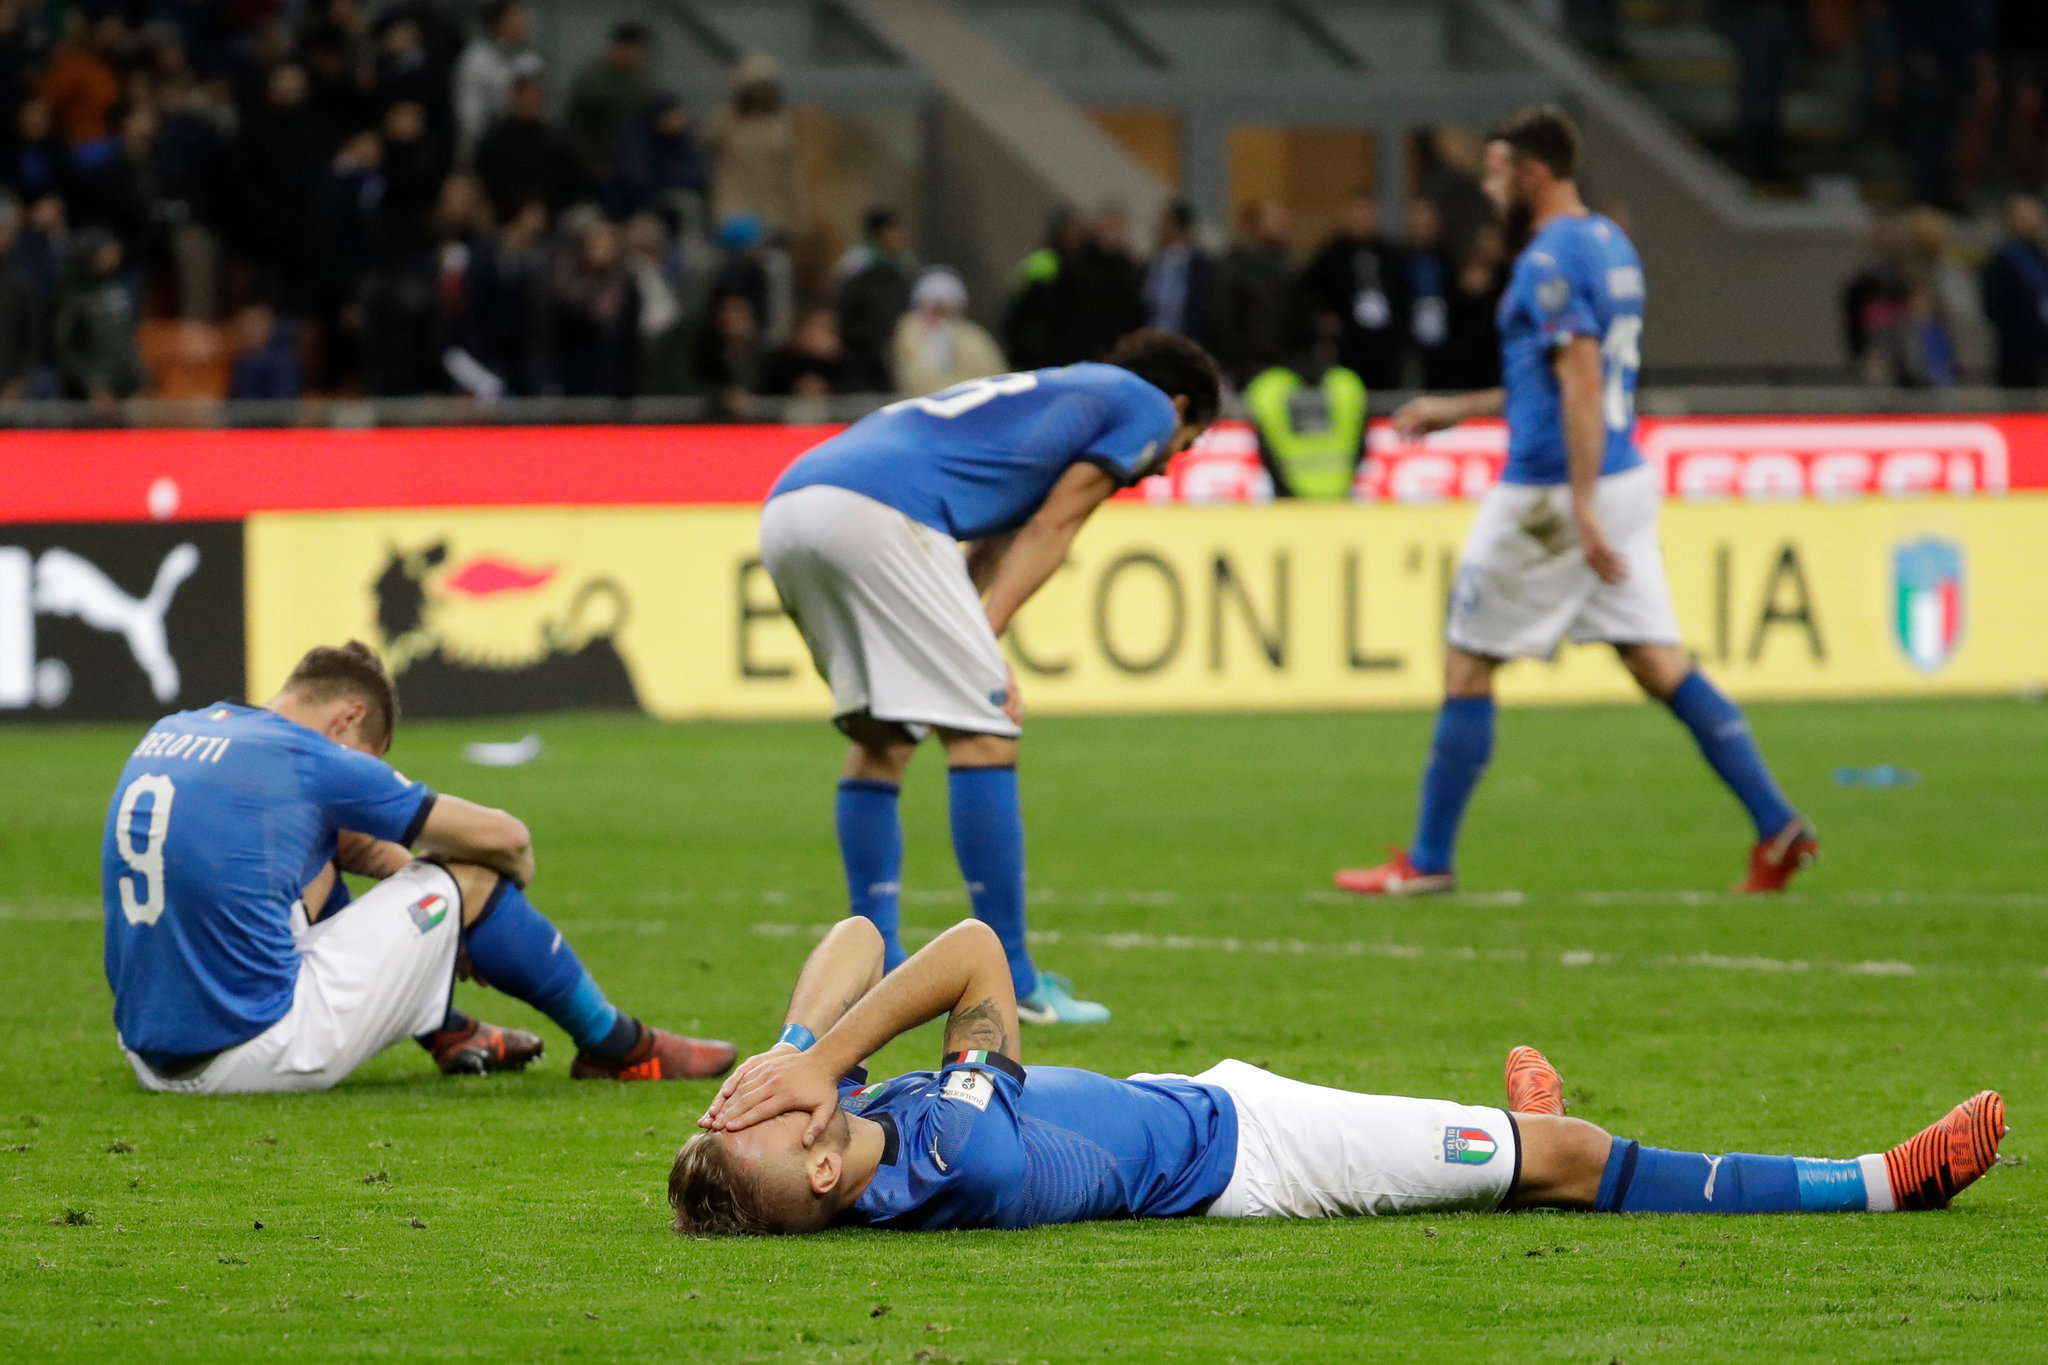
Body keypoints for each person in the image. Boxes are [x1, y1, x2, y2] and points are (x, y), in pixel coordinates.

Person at [672, 914, 2007, 1234]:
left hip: (1208, 1093)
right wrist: (826, 1061)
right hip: (1261, 1161)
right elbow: (967, 954)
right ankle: (1884, 1184)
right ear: (822, 1178)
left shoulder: (875, 1130)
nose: (807, 1130)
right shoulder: (954, 1159)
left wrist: (791, 1057)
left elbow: (858, 931)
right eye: (793, 1149)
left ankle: (1502, 1140)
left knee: (1517, 1147)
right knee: (1577, 1158)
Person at [1335, 106, 1817, 898]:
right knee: (1659, 661)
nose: (1488, 189)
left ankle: (1427, 860)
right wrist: (1459, 408)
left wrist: (1581, 507)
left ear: (1532, 173)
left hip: (1555, 489)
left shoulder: (1547, 260)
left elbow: (1582, 381)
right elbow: (1557, 376)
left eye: (1495, 172)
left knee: (1468, 658)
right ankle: (1777, 822)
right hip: (1623, 474)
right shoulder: (1609, 244)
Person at [756, 330, 1221, 1025]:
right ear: (1180, 403)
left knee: (885, 734)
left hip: (792, 506)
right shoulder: (1146, 406)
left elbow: (994, 537)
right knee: (987, 729)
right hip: (881, 513)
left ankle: (872, 952)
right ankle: (1014, 978)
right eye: (1187, 441)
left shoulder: (1057, 393)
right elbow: (1055, 524)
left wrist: (974, 631)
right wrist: (986, 643)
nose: (1162, 463)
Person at [102, 640, 735, 1094]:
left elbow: (346, 847)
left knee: (327, 858)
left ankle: (449, 1028)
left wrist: (430, 923)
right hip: (252, 1049)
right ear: (348, 717)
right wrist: (471, 910)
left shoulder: (179, 729)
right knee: (474, 879)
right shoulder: (307, 758)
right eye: (372, 757)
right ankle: (618, 1046)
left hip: (148, 1059)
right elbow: (510, 841)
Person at [1300, 193, 1407, 390]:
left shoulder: (1392, 253)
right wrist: (1323, 319)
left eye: (1366, 213)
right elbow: (1308, 293)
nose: (1361, 219)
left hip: (1386, 344)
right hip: (1347, 343)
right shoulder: (1330, 255)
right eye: (1355, 212)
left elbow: (1405, 294)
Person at [1211, 199, 1296, 387]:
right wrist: (1240, 357)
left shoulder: (1288, 268)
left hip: (1284, 365)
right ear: (1252, 225)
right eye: (1275, 219)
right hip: (1246, 366)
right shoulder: (1234, 266)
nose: (1283, 225)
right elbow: (1222, 317)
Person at [889, 265, 1005, 398]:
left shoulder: (973, 338)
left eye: (944, 309)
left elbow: (992, 374)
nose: (939, 316)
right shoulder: (908, 333)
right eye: (934, 308)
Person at [834, 205, 914, 392]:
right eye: (893, 229)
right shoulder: (855, 269)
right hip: (866, 360)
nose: (899, 235)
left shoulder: (904, 269)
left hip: (899, 354)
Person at [565, 21, 653, 184]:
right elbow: (579, 126)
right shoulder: (592, 79)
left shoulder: (638, 79)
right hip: (594, 162)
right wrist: (594, 162)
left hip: (628, 160)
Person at [452, 0, 541, 159]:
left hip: (529, 149)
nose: (523, 22)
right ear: (499, 23)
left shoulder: (531, 62)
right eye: (516, 17)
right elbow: (470, 119)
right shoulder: (475, 61)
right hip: (488, 151)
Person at [1980, 195, 2048, 389]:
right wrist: (2022, 333)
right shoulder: (2002, 261)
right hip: (2016, 353)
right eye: (2027, 216)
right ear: (2014, 221)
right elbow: (1993, 308)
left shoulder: (2040, 257)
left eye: (2035, 215)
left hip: (2042, 348)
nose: (2034, 221)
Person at [1142, 198, 1213, 346]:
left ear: (1178, 225)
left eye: (1165, 222)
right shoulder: (1154, 261)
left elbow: (1201, 306)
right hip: (1154, 336)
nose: (1159, 227)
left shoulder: (1200, 264)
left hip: (1186, 339)